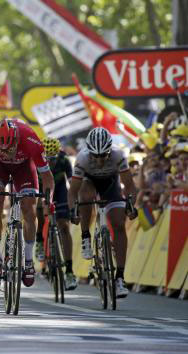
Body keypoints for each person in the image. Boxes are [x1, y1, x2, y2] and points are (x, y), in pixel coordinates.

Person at [0, 118, 55, 288]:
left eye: (10, 148)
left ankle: (29, 260)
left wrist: (48, 200)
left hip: (24, 168)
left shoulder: (31, 139)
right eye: (2, 149)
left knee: (29, 208)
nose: (6, 153)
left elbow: (47, 177)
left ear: (17, 139)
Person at [68, 127, 137, 298]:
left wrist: (130, 205)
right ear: (89, 152)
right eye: (95, 156)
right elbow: (73, 191)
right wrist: (73, 210)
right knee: (86, 195)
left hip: (110, 185)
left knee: (119, 225)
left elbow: (129, 186)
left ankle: (120, 278)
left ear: (109, 150)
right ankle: (86, 236)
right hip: (89, 183)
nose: (99, 160)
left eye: (103, 155)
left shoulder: (118, 155)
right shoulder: (83, 158)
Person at [36, 137, 77, 290]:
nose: (50, 163)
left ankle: (70, 271)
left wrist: (75, 205)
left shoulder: (64, 160)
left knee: (64, 227)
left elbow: (73, 184)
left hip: (59, 190)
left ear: (58, 154)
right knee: (39, 208)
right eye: (47, 159)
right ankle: (39, 239)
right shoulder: (36, 160)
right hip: (41, 188)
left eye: (52, 159)